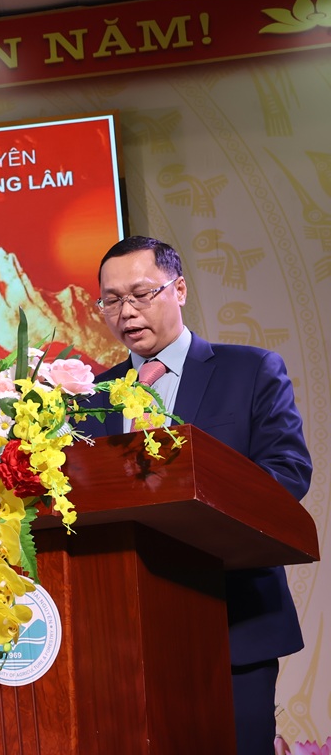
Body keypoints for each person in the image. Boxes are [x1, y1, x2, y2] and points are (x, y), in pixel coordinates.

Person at [78, 235, 312, 754]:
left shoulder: (250, 370)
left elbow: (288, 472)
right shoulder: (88, 397)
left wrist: (197, 512)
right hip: (124, 634)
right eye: (112, 300)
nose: (126, 312)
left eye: (141, 294)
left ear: (179, 289)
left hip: (232, 618)